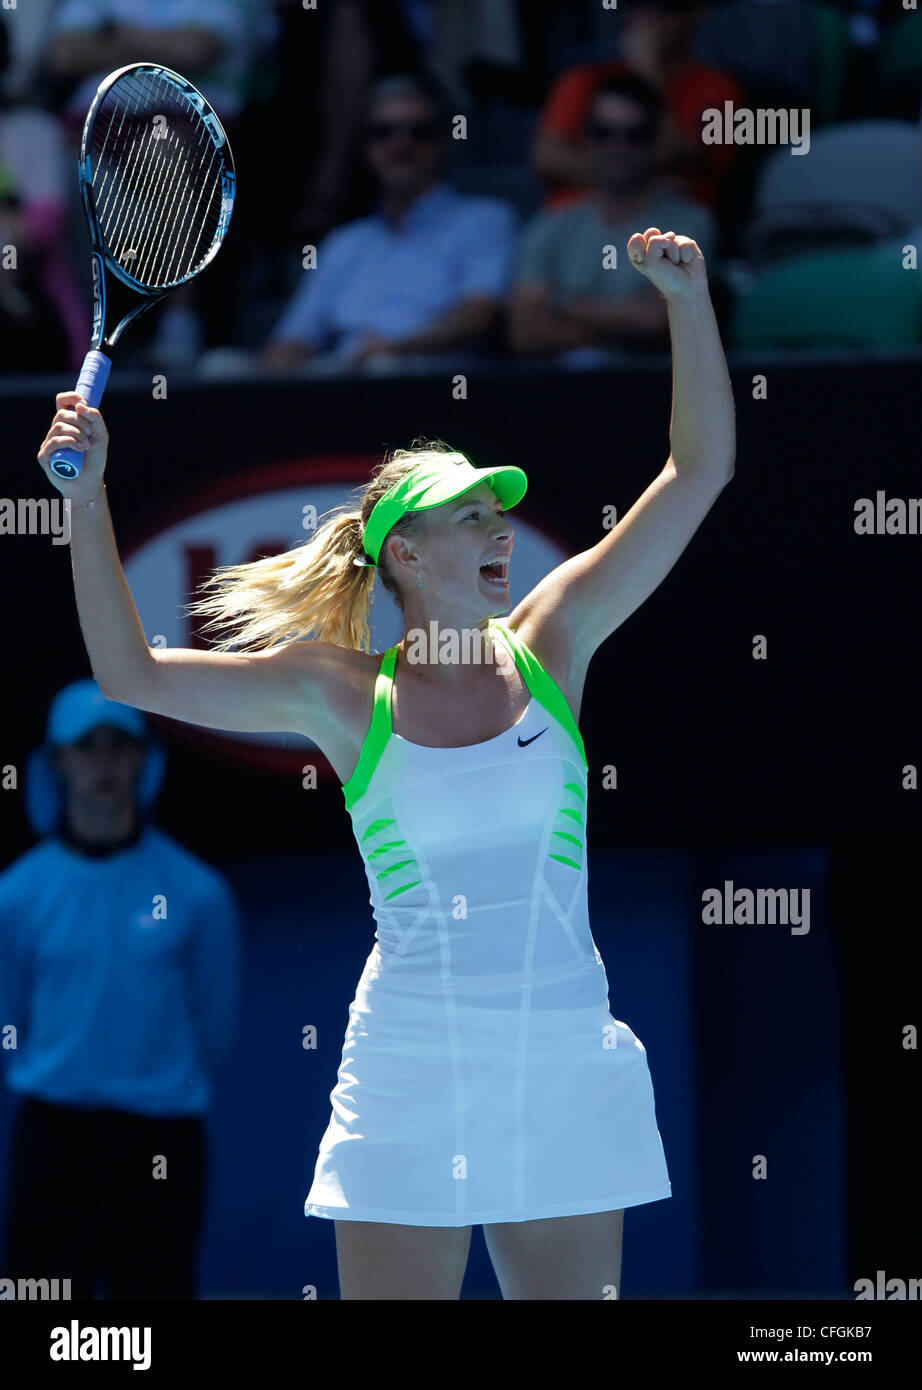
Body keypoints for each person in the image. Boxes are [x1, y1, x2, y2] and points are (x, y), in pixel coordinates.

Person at [36, 224, 735, 1299]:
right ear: (404, 553)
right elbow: (127, 675)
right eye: (468, 518)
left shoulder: (553, 638)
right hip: (408, 1069)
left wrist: (687, 302)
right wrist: (83, 507)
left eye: (497, 512)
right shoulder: (335, 690)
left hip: (562, 1062)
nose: (497, 530)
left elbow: (699, 470)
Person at [0, 682, 241, 1299]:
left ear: (142, 759)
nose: (102, 765)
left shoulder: (198, 894)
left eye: (118, 747)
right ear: (56, 763)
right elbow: (11, 1019)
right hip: (53, 1142)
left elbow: (214, 1028)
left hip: (160, 1144)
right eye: (85, 749)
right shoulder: (17, 896)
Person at [256, 73, 518, 375]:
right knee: (222, 368)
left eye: (419, 132)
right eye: (383, 132)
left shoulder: (485, 220)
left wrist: (398, 348)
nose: (400, 145)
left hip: (433, 386)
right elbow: (297, 334)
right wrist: (284, 355)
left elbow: (479, 315)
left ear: (445, 141)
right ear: (365, 147)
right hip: (340, 384)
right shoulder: (344, 242)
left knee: (384, 367)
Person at [509, 72, 715, 363]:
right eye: (603, 132)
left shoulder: (689, 224)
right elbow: (524, 333)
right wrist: (616, 326)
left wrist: (562, 304)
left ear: (656, 140)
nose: (618, 146)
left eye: (636, 135)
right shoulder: (550, 225)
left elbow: (659, 320)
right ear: (585, 136)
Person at [532, 0, 743, 212]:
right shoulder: (583, 78)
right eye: (637, 4)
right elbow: (548, 158)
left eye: (666, 7)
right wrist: (641, 183)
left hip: (662, 230)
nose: (649, 17)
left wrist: (648, 71)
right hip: (574, 224)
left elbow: (669, 155)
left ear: (698, 12)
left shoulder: (719, 90)